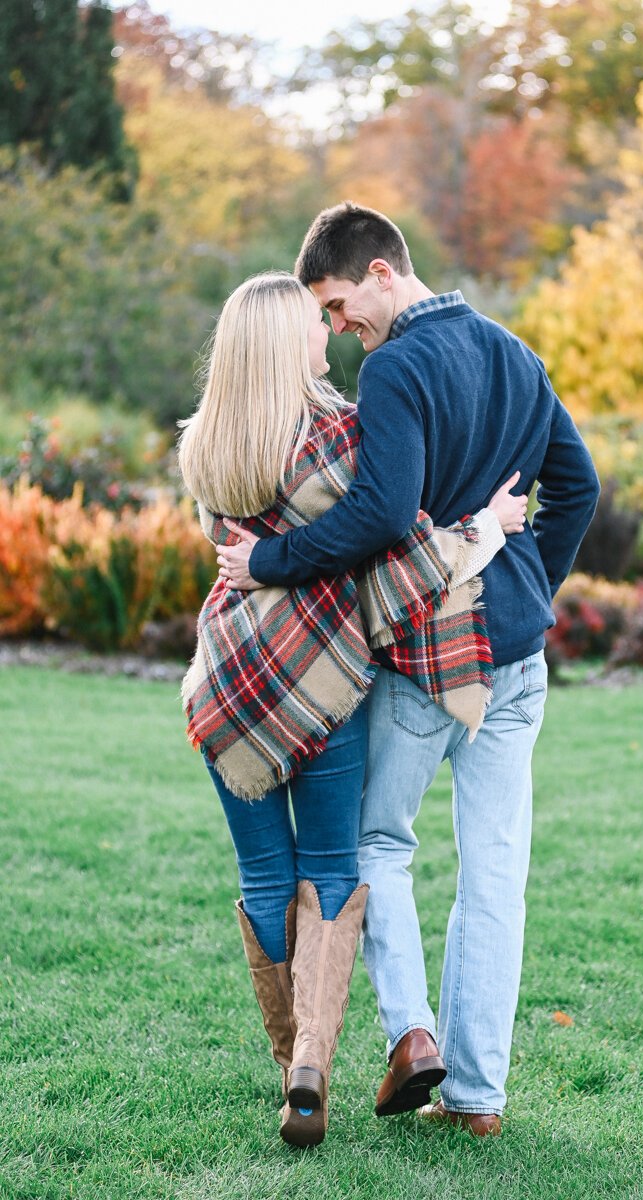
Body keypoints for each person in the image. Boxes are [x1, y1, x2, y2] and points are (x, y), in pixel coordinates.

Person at [217, 205, 601, 1137]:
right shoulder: (516, 352)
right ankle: (477, 1100)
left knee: (378, 846)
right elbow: (578, 485)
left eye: (343, 305)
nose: (342, 329)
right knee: (495, 872)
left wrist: (266, 562)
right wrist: (522, 586)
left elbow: (385, 516)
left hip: (430, 650)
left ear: (384, 274)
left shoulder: (396, 368)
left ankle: (411, 1038)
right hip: (515, 656)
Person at [178, 271, 527, 1148]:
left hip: (228, 684)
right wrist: (484, 529)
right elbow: (398, 553)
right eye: (310, 324)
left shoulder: (206, 445)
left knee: (264, 877)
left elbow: (243, 553)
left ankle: (292, 1065)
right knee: (333, 867)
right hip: (321, 684)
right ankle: (314, 1069)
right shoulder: (337, 436)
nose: (325, 336)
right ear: (280, 342)